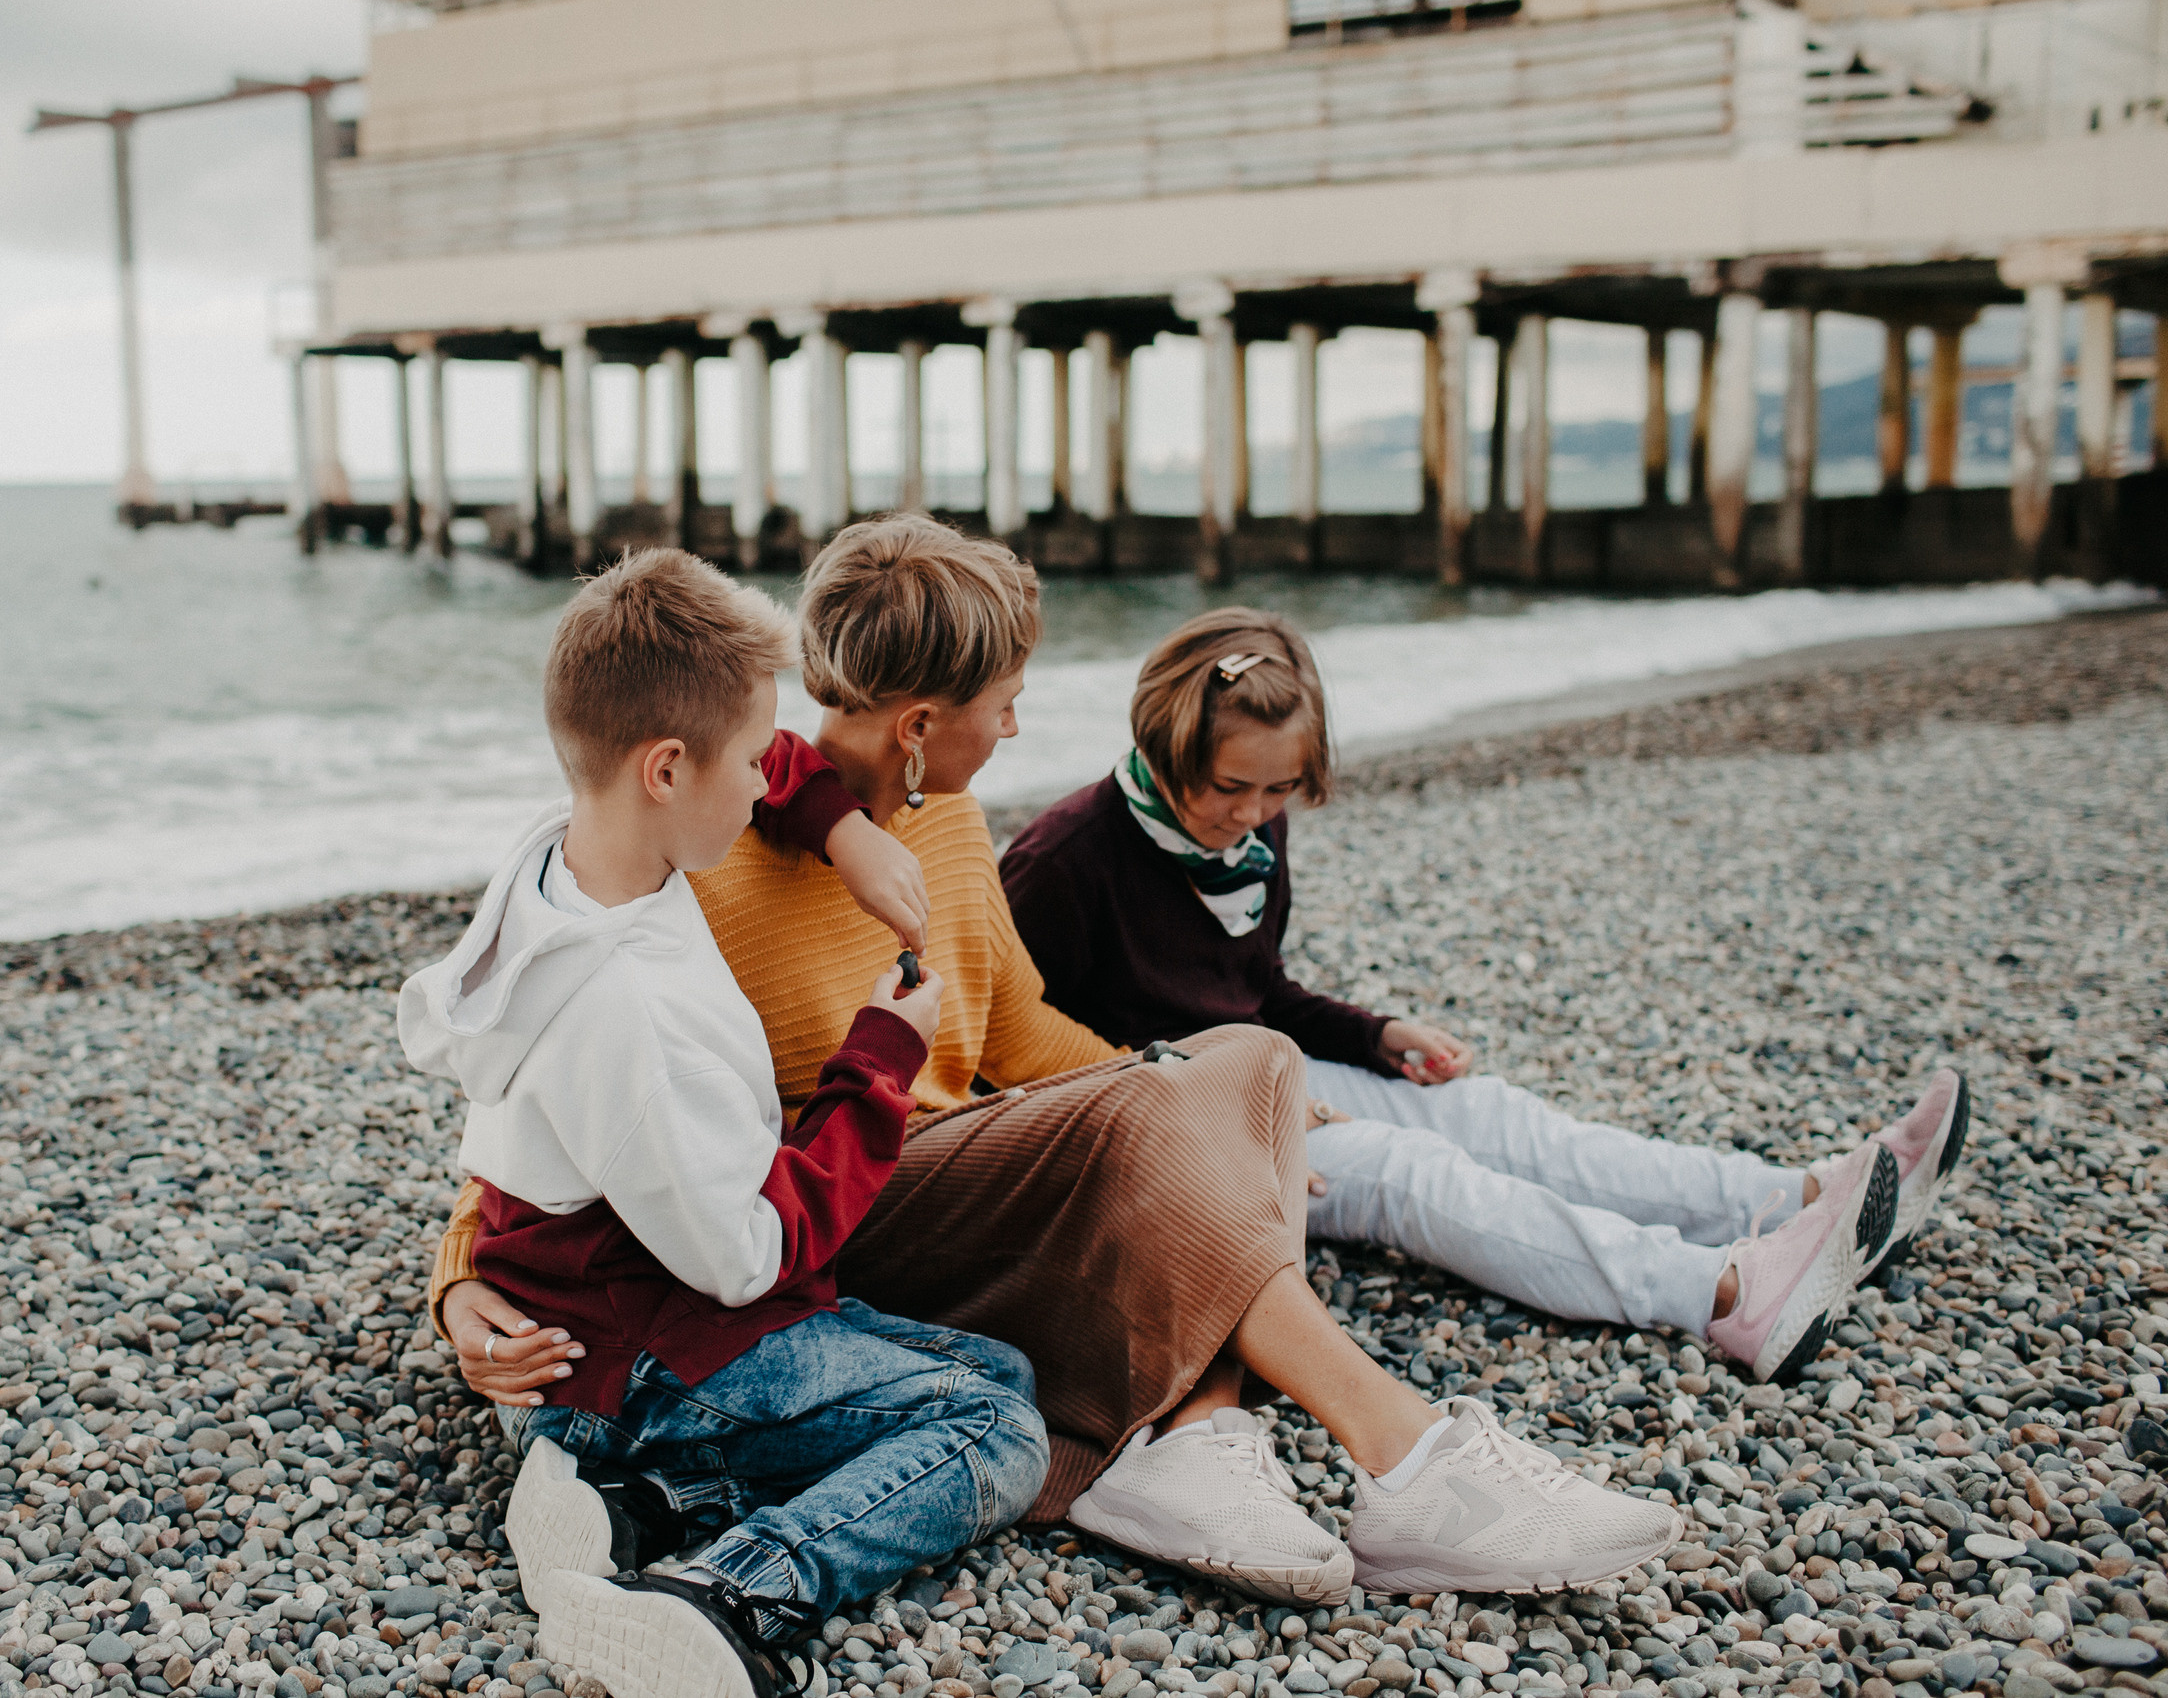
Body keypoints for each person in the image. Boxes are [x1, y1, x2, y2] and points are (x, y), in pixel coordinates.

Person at [437, 515, 1684, 1604]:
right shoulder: (706, 847)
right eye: (1005, 704)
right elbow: (563, 1074)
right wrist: (458, 1280)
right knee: (1173, 1101)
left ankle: (1199, 1439)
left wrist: (1199, 1114)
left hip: (954, 1175)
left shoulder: (944, 820)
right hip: (841, 1214)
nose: (1020, 725)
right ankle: (1408, 1460)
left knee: (1247, 1065)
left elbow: (1023, 1029)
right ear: (922, 725)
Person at [999, 606, 1972, 1390]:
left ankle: (1798, 1201)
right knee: (1413, 1171)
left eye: (1280, 790)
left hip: (1262, 1076)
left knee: (1484, 1114)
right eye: (1229, 789)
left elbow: (1253, 993)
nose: (1252, 816)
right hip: (1161, 1127)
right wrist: (1212, 1098)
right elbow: (1012, 1060)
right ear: (1164, 743)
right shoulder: (1064, 860)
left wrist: (1376, 1034)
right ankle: (1722, 1294)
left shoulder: (1244, 839)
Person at [397, 548, 1048, 1698]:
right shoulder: (628, 1011)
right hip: (654, 1351)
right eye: (748, 764)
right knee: (998, 1428)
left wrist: (841, 830)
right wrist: (879, 1061)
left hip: (589, 1319)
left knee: (994, 1362)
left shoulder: (568, 856)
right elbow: (748, 1258)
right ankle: (730, 1594)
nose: (765, 787)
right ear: (665, 769)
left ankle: (640, 1503)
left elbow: (784, 758)